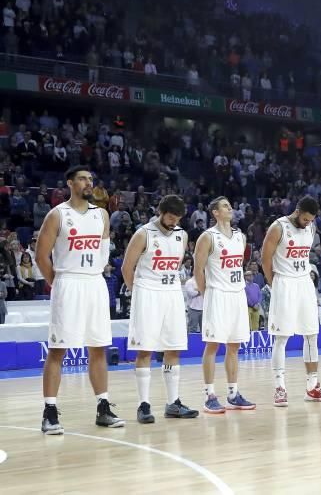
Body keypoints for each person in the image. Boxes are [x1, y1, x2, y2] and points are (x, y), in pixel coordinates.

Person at [35, 165, 124, 434]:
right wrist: (59, 283)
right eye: (83, 179)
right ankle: (49, 412)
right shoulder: (57, 215)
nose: (89, 183)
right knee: (58, 349)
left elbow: (103, 254)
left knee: (98, 347)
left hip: (95, 282)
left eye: (91, 179)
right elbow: (41, 257)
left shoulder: (102, 216)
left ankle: (103, 407)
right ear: (70, 183)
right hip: (69, 282)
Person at [121, 194, 199, 424]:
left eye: (177, 218)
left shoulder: (182, 235)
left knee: (173, 348)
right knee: (145, 350)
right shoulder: (143, 233)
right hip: (148, 292)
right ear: (160, 212)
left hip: (172, 292)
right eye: (170, 217)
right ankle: (143, 405)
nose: (174, 222)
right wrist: (137, 292)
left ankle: (173, 403)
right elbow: (127, 267)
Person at [261, 196, 321, 407]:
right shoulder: (278, 227)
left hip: (304, 283)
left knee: (311, 335)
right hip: (284, 283)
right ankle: (279, 388)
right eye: (305, 219)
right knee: (281, 337)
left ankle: (312, 387)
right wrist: (274, 284)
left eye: (311, 220)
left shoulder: (311, 229)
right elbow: (265, 260)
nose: (308, 223)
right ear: (297, 210)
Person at [194, 196, 256, 414]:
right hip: (217, 295)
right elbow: (198, 270)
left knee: (234, 346)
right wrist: (207, 295)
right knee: (212, 345)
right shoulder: (207, 237)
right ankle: (209, 395)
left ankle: (233, 394)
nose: (230, 209)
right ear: (215, 213)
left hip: (237, 295)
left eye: (230, 205)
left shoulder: (241, 237)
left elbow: (237, 267)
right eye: (225, 206)